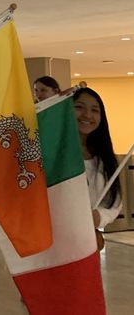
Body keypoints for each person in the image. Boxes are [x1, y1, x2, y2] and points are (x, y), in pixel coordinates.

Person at [73, 87, 122, 237]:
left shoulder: (104, 159)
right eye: (79, 107)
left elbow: (114, 202)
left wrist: (99, 217)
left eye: (95, 110)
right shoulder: (52, 154)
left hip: (88, 242)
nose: (87, 115)